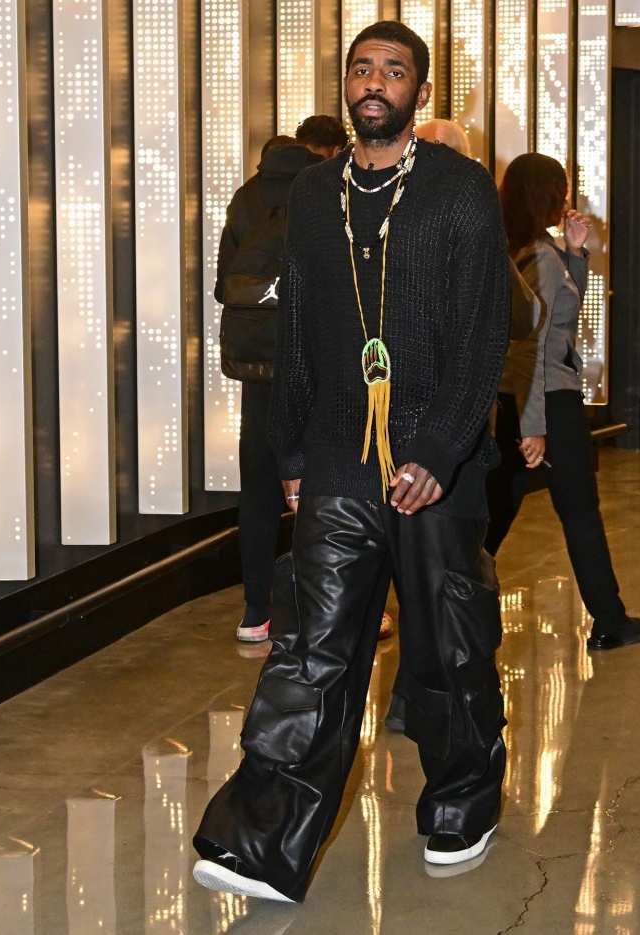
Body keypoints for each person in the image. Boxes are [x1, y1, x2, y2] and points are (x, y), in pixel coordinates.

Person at [192, 20, 511, 903]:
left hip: (434, 466)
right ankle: (263, 839)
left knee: (448, 646)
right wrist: (293, 449)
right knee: (311, 653)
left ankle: (462, 801)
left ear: (421, 91)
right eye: (362, 68)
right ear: (346, 84)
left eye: (394, 70)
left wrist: (440, 450)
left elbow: (484, 330)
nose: (375, 82)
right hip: (338, 458)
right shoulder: (313, 194)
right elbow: (297, 330)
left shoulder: (460, 190)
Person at [485, 152, 640, 650]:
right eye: (564, 190)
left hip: (513, 398)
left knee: (494, 512)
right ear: (549, 196)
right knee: (579, 512)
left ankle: (451, 602)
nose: (568, 200)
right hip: (548, 401)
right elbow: (535, 346)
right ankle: (610, 620)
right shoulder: (541, 258)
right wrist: (534, 426)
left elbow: (551, 318)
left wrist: (575, 251)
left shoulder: (516, 249)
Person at [215, 119, 348, 643]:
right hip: (318, 363)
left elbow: (225, 284)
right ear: (330, 151)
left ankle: (256, 610)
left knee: (258, 487)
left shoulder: (247, 196)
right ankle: (326, 605)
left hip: (259, 369)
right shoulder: (326, 190)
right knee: (324, 484)